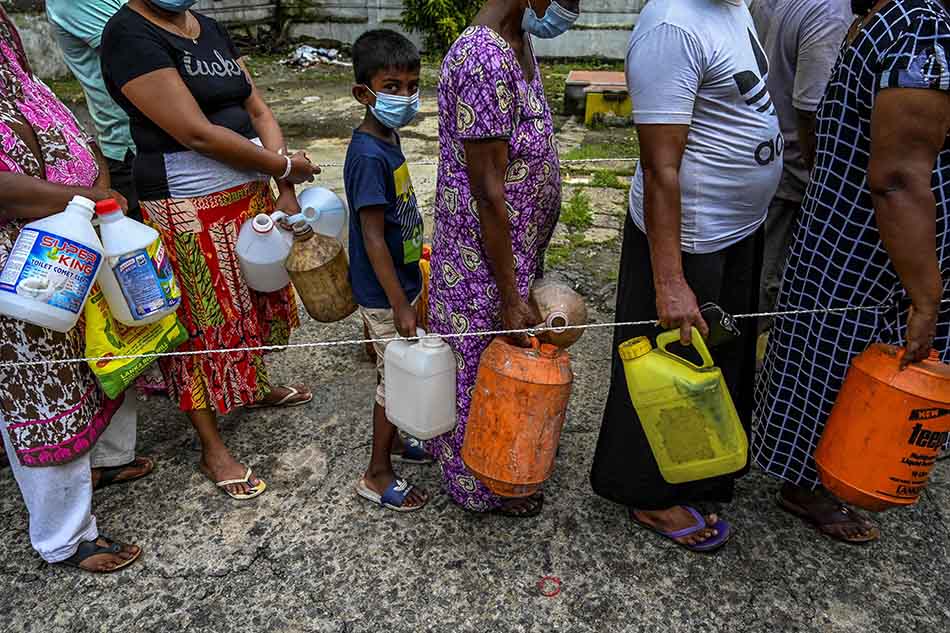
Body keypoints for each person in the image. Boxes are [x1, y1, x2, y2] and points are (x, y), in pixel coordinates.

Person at [100, 0, 318, 500]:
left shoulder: (209, 27)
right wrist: (281, 168)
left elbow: (255, 107)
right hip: (187, 204)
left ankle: (253, 385)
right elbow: (195, 132)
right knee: (202, 321)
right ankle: (211, 445)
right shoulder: (129, 34)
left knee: (253, 299)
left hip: (248, 193)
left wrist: (278, 172)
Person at [589, 0, 783, 552]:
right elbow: (660, 166)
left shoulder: (732, 9)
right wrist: (670, 280)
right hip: (688, 236)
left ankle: (702, 469)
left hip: (738, 226)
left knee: (717, 357)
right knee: (663, 366)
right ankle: (647, 492)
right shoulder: (671, 26)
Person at [754, 0, 950, 543]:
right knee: (846, 363)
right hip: (871, 253)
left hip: (855, 237)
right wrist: (926, 296)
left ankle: (837, 468)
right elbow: (898, 176)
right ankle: (818, 481)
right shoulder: (921, 30)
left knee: (825, 357)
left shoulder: (898, 17)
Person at [0, 7, 142, 572]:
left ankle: (106, 462)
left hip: (77, 231)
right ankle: (66, 535)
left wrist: (96, 191)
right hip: (25, 255)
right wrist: (88, 201)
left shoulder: (10, 43)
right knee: (41, 383)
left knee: (102, 349)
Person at [427, 0, 578, 517]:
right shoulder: (482, 59)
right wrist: (512, 295)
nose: (570, 9)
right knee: (479, 370)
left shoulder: (520, 43)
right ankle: (481, 484)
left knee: (504, 366)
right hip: (480, 263)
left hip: (511, 253)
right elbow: (488, 193)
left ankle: (502, 463)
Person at [46, 0, 159, 489]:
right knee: (118, 300)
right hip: (125, 156)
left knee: (136, 295)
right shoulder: (77, 2)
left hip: (112, 165)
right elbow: (144, 44)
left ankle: (114, 448)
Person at [345, 30, 432, 512]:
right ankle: (376, 473)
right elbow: (372, 236)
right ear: (364, 92)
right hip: (384, 294)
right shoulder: (366, 155)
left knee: (393, 371)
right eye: (392, 86)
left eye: (411, 85)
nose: (404, 95)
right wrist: (399, 304)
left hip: (401, 282)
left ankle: (396, 442)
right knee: (394, 378)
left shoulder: (388, 136)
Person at [748, 0, 853, 328]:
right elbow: (813, 110)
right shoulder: (831, 13)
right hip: (796, 177)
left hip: (771, 163)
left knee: (758, 282)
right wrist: (820, 176)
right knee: (770, 289)